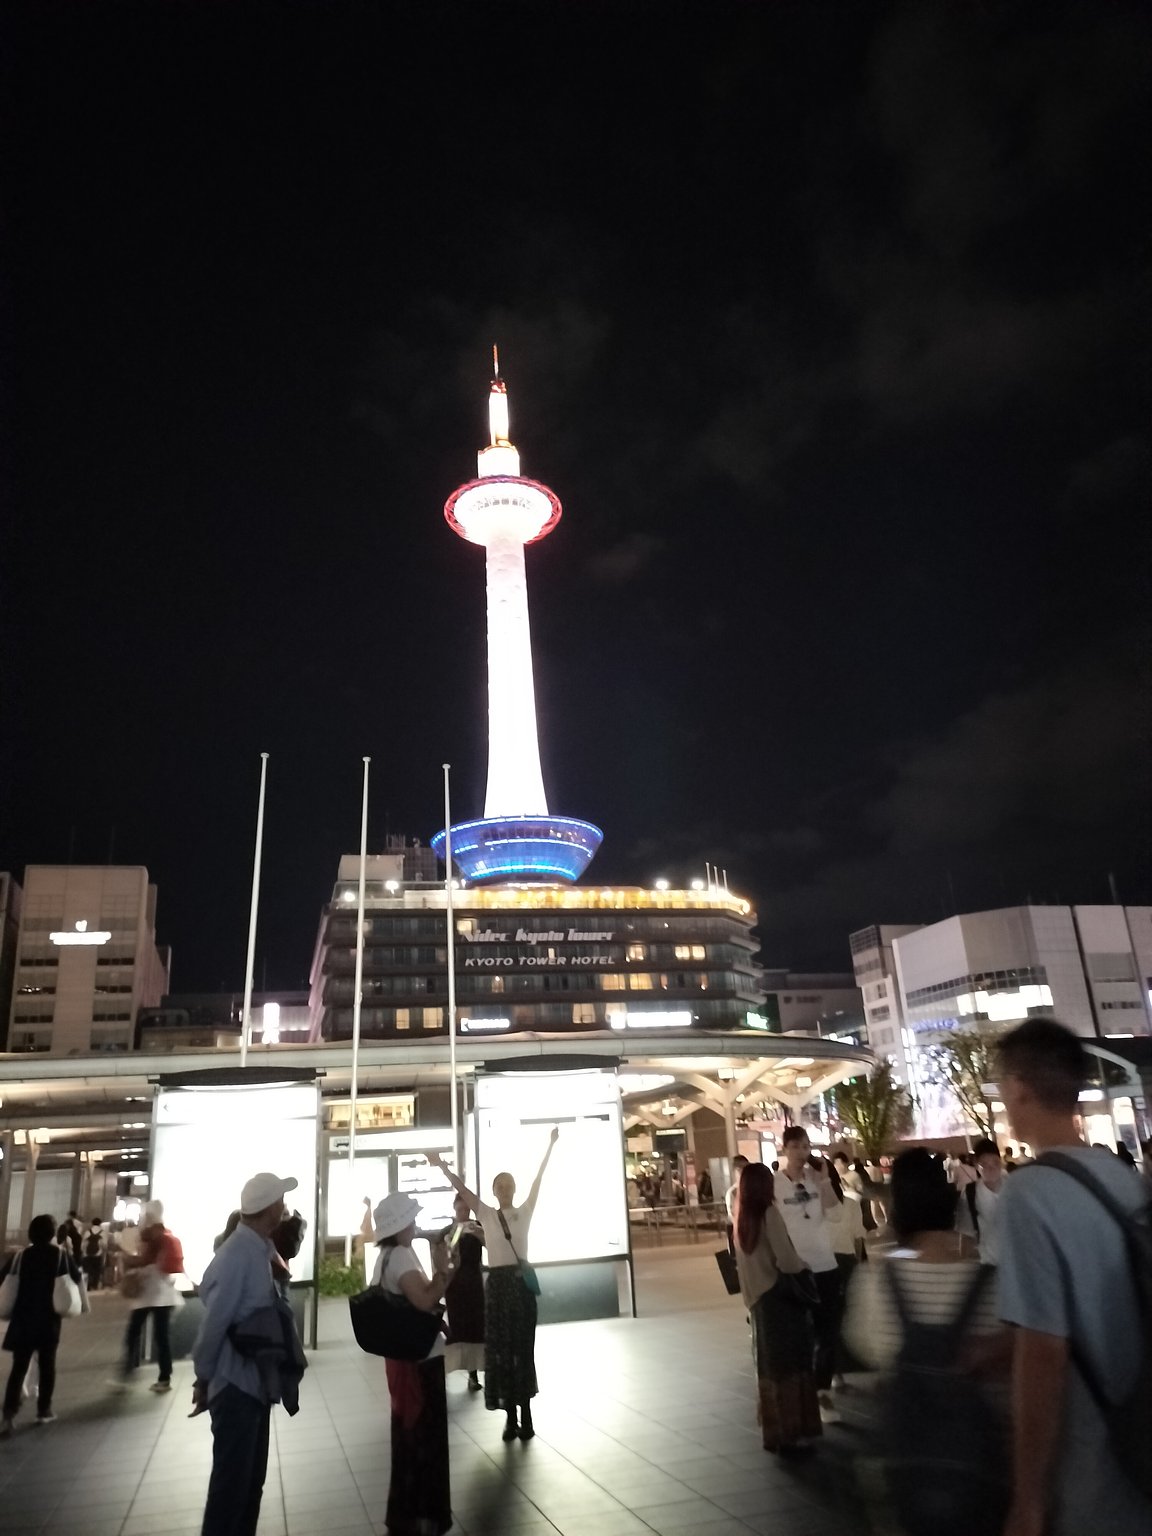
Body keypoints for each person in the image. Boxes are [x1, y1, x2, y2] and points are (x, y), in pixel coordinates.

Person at [995, 1019, 1151, 1536]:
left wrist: (1028, 1500)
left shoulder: (1028, 1194)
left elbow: (1043, 1350)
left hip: (1092, 1474)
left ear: (1018, 1087)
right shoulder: (1121, 1177)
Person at [843, 1149, 1008, 1536]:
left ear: (897, 1207)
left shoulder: (874, 1283)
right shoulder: (993, 1284)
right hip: (981, 1468)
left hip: (911, 1467)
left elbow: (868, 1349)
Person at [430, 1127, 559, 1442]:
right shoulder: (486, 1214)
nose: (505, 1189)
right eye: (500, 1186)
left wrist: (550, 1146)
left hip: (519, 1286)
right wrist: (442, 1165)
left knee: (522, 1350)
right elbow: (462, 1189)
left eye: (509, 1185)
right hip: (498, 1289)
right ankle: (511, 1418)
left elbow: (539, 1180)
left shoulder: (524, 1211)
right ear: (493, 1191)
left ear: (514, 1189)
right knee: (501, 1352)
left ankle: (525, 1415)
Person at [193, 1171, 303, 1536]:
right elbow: (214, 1325)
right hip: (235, 1387)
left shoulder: (258, 1248)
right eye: (280, 1201)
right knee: (231, 1491)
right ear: (270, 1207)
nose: (284, 1207)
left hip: (254, 1386)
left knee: (250, 1485)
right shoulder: (238, 1255)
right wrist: (203, 1378)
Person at [372, 1191, 453, 1536]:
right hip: (420, 1363)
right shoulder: (402, 1256)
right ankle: (425, 1517)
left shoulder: (385, 1257)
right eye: (411, 1218)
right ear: (400, 1224)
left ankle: (406, 1517)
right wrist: (444, 1271)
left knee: (407, 1438)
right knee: (425, 1439)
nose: (416, 1224)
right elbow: (424, 1300)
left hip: (401, 1362)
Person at [733, 1162, 821, 1455]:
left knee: (769, 1370)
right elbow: (786, 1259)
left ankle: (773, 1433)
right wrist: (804, 1265)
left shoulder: (741, 1218)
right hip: (779, 1300)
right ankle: (792, 1435)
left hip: (757, 1302)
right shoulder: (768, 1213)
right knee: (790, 1367)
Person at [774, 1129, 842, 1421]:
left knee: (828, 1332)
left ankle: (822, 1392)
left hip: (825, 1264)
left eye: (805, 1146)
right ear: (784, 1149)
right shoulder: (775, 1184)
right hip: (794, 1269)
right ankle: (800, 1392)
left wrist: (825, 1180)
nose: (802, 1153)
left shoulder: (816, 1180)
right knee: (798, 1334)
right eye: (795, 1147)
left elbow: (836, 1215)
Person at [0, 1214, 83, 1435]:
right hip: (48, 1319)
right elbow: (76, 1277)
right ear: (52, 1233)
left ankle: (8, 1415)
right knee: (47, 1366)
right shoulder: (60, 1255)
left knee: (19, 1367)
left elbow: (3, 1277)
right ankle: (43, 1410)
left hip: (23, 1318)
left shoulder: (20, 1256)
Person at [119, 1200, 183, 1392]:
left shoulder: (154, 1237)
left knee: (133, 1332)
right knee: (161, 1336)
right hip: (164, 1294)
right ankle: (164, 1377)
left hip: (150, 1294)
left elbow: (145, 1260)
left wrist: (127, 1258)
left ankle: (127, 1373)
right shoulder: (165, 1235)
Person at [432, 1194, 485, 1391]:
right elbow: (441, 1257)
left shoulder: (477, 1228)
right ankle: (449, 1369)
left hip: (474, 1283)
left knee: (475, 1328)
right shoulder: (447, 1232)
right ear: (454, 1209)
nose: (463, 1213)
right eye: (460, 1209)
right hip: (455, 1285)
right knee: (456, 1329)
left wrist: (478, 1233)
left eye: (466, 1209)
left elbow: (491, 1245)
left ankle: (473, 1373)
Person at [954, 1138, 1005, 1265]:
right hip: (988, 1263)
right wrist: (964, 1262)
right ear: (976, 1166)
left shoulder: (1016, 1187)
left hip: (1018, 1264)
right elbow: (966, 1233)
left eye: (995, 1163)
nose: (991, 1168)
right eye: (984, 1164)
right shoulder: (971, 1193)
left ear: (1001, 1163)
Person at [724, 1155, 749, 1254]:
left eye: (745, 1168)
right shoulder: (733, 1192)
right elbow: (732, 1217)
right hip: (742, 1237)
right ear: (734, 1171)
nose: (743, 1171)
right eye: (739, 1168)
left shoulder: (754, 1189)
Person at [82, 1222, 107, 1292]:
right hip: (98, 1255)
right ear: (100, 1224)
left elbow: (83, 1245)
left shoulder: (87, 1232)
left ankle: (88, 1286)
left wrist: (84, 1254)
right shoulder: (103, 1233)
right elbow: (104, 1246)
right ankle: (95, 1285)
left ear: (92, 1224)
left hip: (87, 1255)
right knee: (97, 1271)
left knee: (88, 1271)